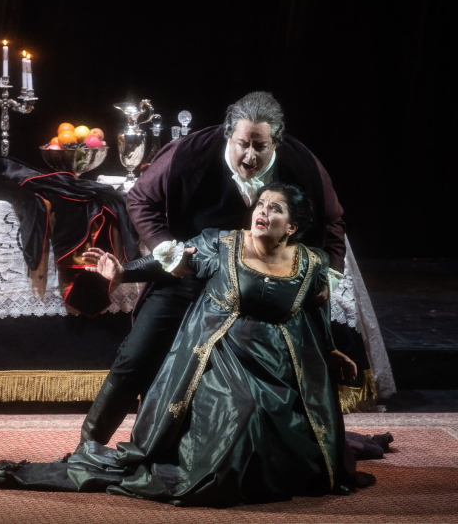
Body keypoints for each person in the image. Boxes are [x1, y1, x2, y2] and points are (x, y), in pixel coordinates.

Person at [0, 183, 359, 506]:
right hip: (221, 357)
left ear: (291, 227)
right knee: (243, 411)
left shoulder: (310, 263)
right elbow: (169, 258)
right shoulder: (221, 245)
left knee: (284, 428)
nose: (263, 212)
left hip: (276, 364)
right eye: (260, 204)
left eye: (275, 208)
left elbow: (315, 310)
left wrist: (330, 350)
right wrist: (123, 271)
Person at [79, 92, 391, 457]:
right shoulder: (189, 153)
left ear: (277, 141)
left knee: (275, 373)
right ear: (229, 134)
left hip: (258, 288)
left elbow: (333, 221)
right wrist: (169, 252)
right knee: (136, 357)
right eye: (243, 144)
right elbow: (140, 200)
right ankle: (88, 447)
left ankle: (264, 451)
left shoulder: (302, 163)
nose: (250, 157)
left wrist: (329, 276)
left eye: (261, 146)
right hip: (190, 271)